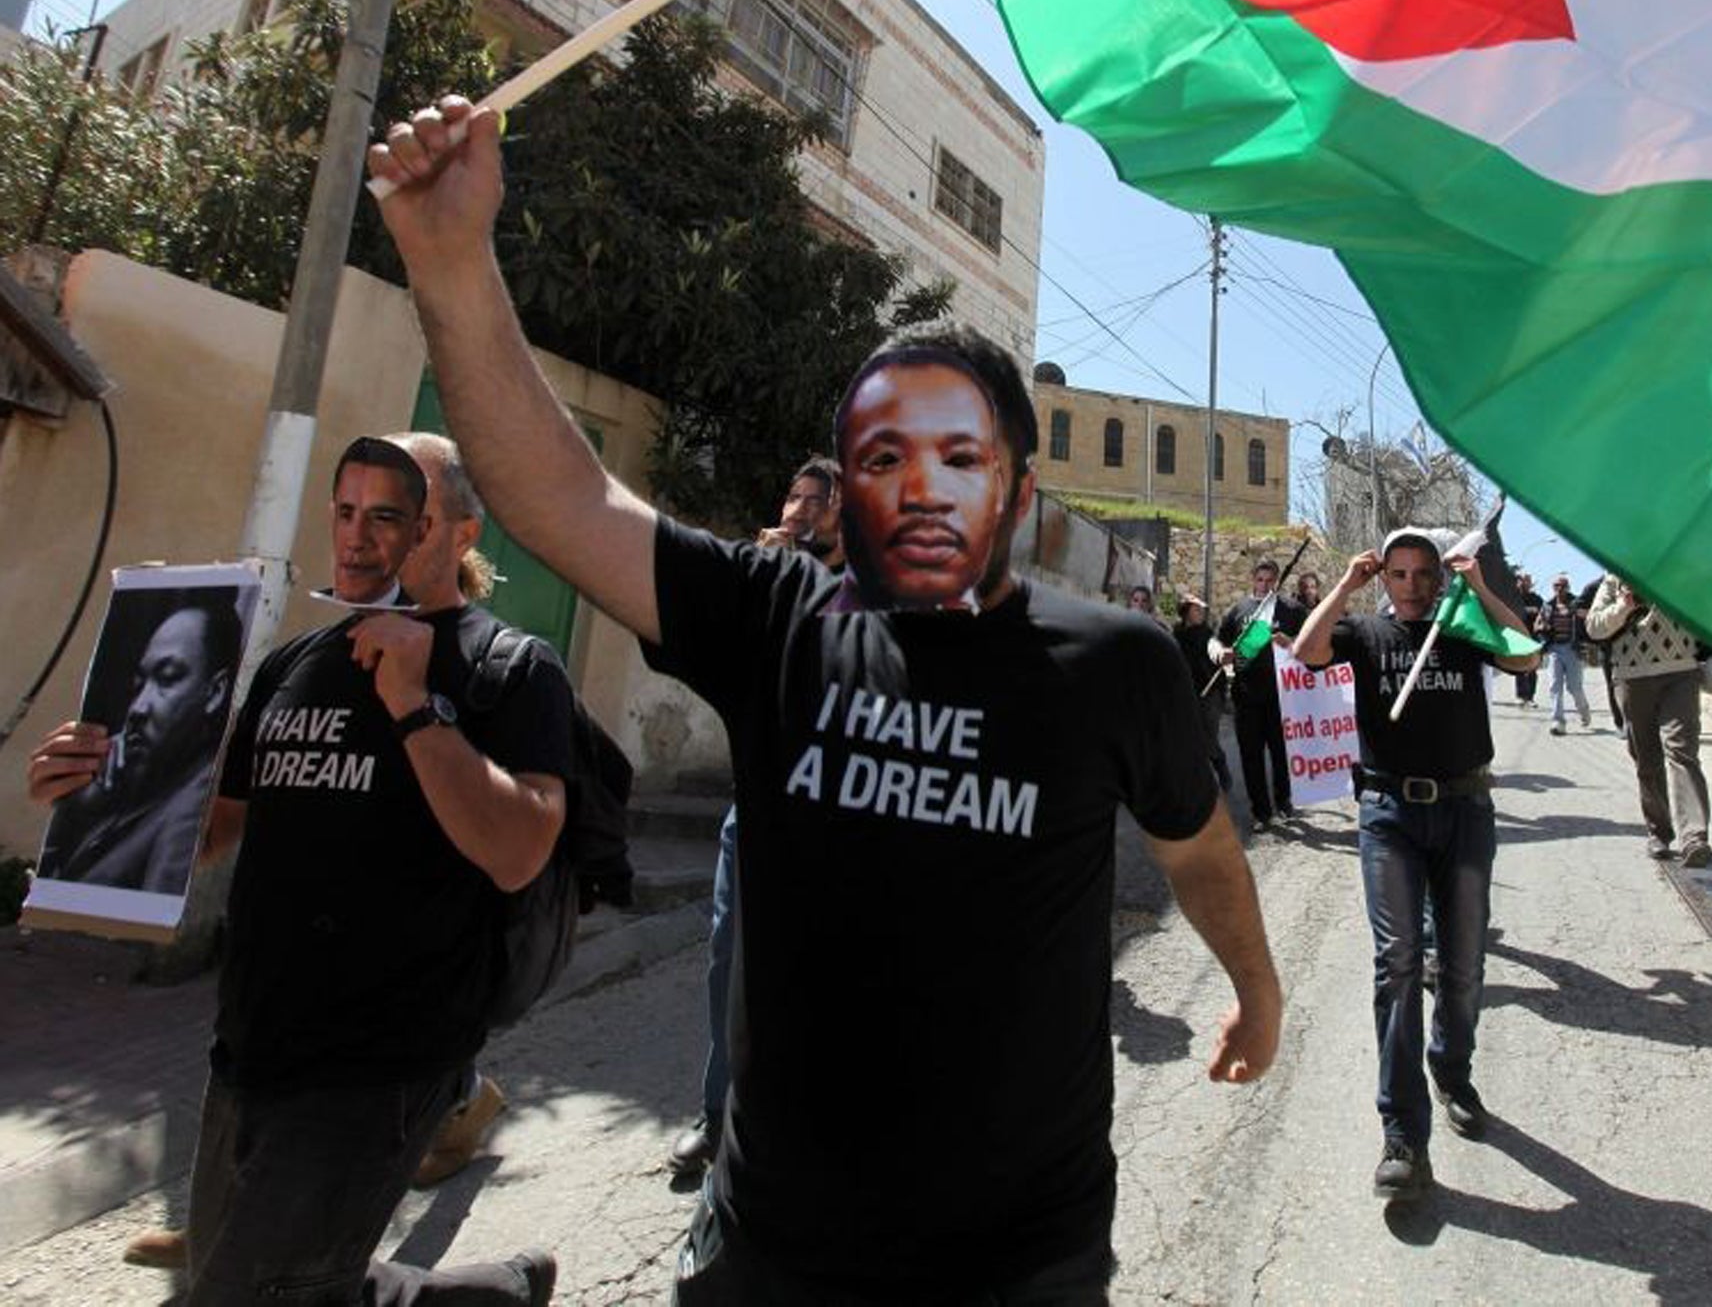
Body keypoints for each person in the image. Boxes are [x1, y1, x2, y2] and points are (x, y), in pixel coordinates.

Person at [368, 95, 1283, 1305]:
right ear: (843, 483)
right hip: (773, 1250)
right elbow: (563, 503)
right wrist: (449, 259)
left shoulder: (1113, 661)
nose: (916, 488)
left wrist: (1258, 991)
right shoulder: (777, 623)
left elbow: (1197, 846)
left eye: (957, 458)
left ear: (1015, 488)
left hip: (1020, 1259)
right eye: (879, 456)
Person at [31, 435, 566, 1305]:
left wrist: (414, 706)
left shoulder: (509, 671)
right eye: (347, 512)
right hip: (249, 1043)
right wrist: (99, 788)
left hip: (379, 1065)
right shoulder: (296, 663)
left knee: (244, 1293)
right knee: (277, 1279)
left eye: (394, 515)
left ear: (460, 535)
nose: (359, 537)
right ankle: (488, 1292)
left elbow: (520, 852)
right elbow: (209, 833)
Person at [1294, 528, 1538, 1202]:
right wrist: (1344, 584)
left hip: (1464, 811)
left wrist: (1481, 587)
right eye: (1397, 574)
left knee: (1462, 966)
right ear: (1385, 580)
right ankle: (1402, 1133)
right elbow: (1305, 650)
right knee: (1398, 964)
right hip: (1389, 815)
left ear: (1438, 579)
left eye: (1421, 573)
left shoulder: (1461, 631)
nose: (1409, 584)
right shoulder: (1365, 634)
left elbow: (1525, 654)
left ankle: (1452, 1069)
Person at [669, 458, 845, 1184]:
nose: (801, 509)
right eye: (793, 495)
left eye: (818, 500)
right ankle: (718, 1117)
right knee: (726, 961)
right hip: (758, 803)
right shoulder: (764, 578)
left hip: (837, 812)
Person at [35, 590, 241, 893]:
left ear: (214, 693)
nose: (138, 707)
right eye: (139, 683)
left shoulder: (189, 805)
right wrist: (77, 810)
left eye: (167, 678)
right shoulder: (128, 787)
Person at [1587, 574, 1712, 866]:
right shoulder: (1614, 578)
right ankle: (1659, 832)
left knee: (1682, 752)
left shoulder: (1682, 569)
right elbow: (1594, 627)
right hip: (1632, 678)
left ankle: (1695, 838)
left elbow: (1710, 608)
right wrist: (1624, 605)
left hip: (1681, 671)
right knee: (1647, 759)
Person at [1215, 559, 1308, 827]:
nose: (1264, 585)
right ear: (1252, 580)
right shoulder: (1238, 610)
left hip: (1283, 696)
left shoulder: (1293, 610)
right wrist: (1220, 652)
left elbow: (1313, 641)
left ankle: (1284, 802)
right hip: (1246, 696)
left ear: (1277, 582)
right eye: (1260, 580)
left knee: (1281, 753)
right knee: (1250, 756)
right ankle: (1261, 812)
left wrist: (1291, 642)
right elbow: (1218, 639)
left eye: (1270, 580)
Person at [1173, 595, 1233, 796]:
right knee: (1189, 738)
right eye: (1196, 610)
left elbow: (1214, 647)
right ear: (1186, 612)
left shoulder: (1206, 634)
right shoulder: (1177, 634)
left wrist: (1220, 655)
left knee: (1208, 739)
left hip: (1210, 694)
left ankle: (1221, 767)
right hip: (1187, 694)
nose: (1200, 613)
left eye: (1201, 610)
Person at [1534, 573, 1593, 736]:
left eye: (1562, 585)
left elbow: (1588, 620)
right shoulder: (1547, 605)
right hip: (1554, 649)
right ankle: (1558, 721)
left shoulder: (1576, 603)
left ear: (1568, 587)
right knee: (1555, 686)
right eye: (1556, 586)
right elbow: (1536, 624)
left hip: (1573, 649)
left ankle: (1584, 710)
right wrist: (1542, 627)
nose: (1559, 589)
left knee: (1574, 687)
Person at [1512, 571, 1542, 708]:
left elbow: (1544, 615)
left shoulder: (1537, 599)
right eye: (1523, 580)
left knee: (1532, 668)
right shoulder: (1513, 597)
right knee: (1519, 667)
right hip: (1518, 636)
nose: (1525, 583)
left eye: (1528, 581)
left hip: (1533, 638)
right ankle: (1520, 695)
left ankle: (1530, 697)